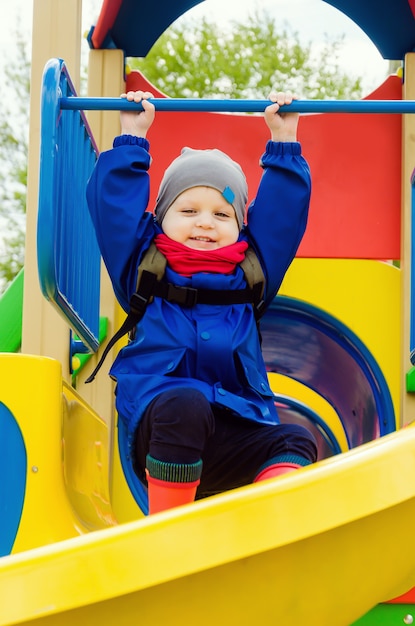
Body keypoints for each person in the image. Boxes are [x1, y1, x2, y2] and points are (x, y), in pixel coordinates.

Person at [86, 89, 317, 514]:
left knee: (296, 439)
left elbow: (282, 219)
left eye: (222, 214)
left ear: (240, 225)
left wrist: (284, 140)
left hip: (233, 431)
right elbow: (113, 211)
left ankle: (272, 528)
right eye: (188, 211)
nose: (205, 223)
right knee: (185, 402)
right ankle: (169, 535)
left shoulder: (253, 270)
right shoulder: (143, 263)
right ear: (161, 219)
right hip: (162, 430)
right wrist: (132, 139)